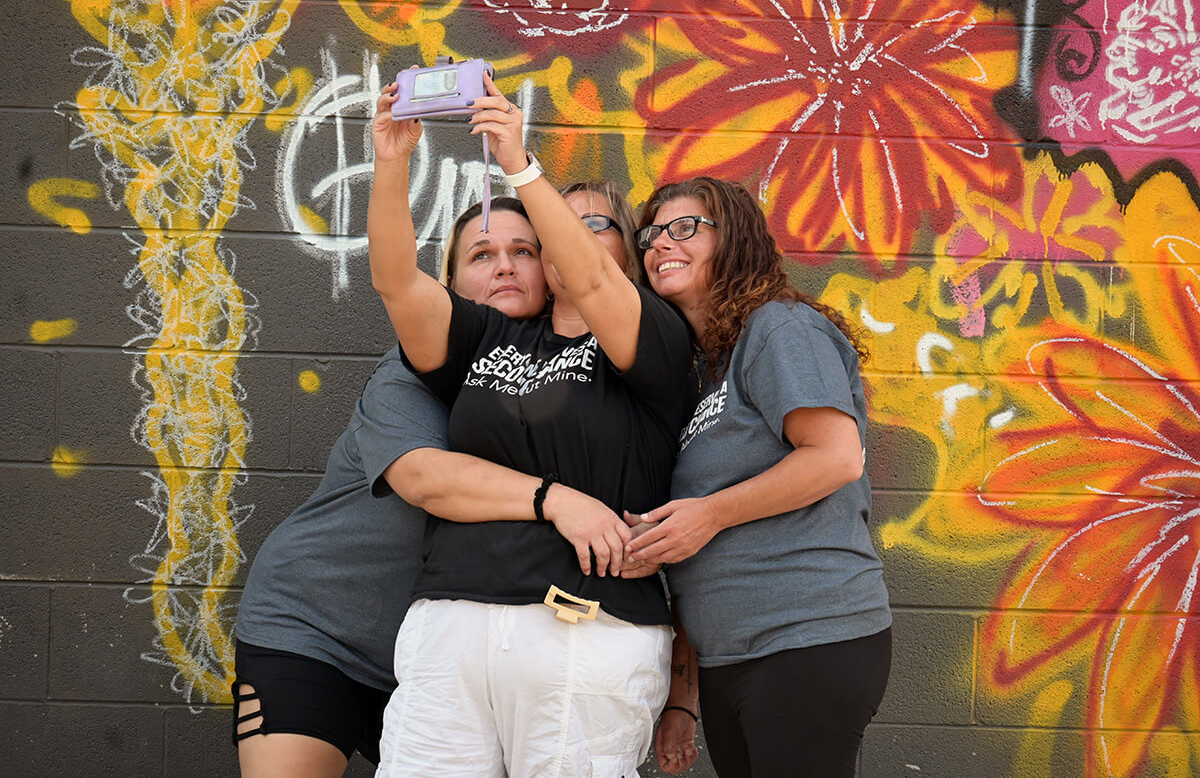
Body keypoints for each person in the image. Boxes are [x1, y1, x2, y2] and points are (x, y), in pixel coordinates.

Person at [232, 197, 639, 778]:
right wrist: (558, 500)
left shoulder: (584, 377)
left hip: (444, 652)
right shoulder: (410, 370)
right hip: (318, 629)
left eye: (523, 251)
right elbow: (425, 479)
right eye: (481, 254)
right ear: (448, 284)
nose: (504, 266)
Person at [367, 72, 694, 777]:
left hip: (587, 630)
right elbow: (398, 282)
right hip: (451, 622)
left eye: (591, 223)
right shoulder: (490, 337)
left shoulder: (656, 339)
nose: (565, 236)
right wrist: (392, 162)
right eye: (553, 225)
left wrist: (519, 163)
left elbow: (600, 286)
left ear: (627, 250)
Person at [625, 177, 893, 778]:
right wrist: (683, 700)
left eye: (685, 227)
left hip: (805, 637)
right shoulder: (704, 372)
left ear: (736, 240)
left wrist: (709, 514)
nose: (661, 244)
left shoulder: (778, 328)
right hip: (731, 655)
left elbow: (835, 457)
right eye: (652, 234)